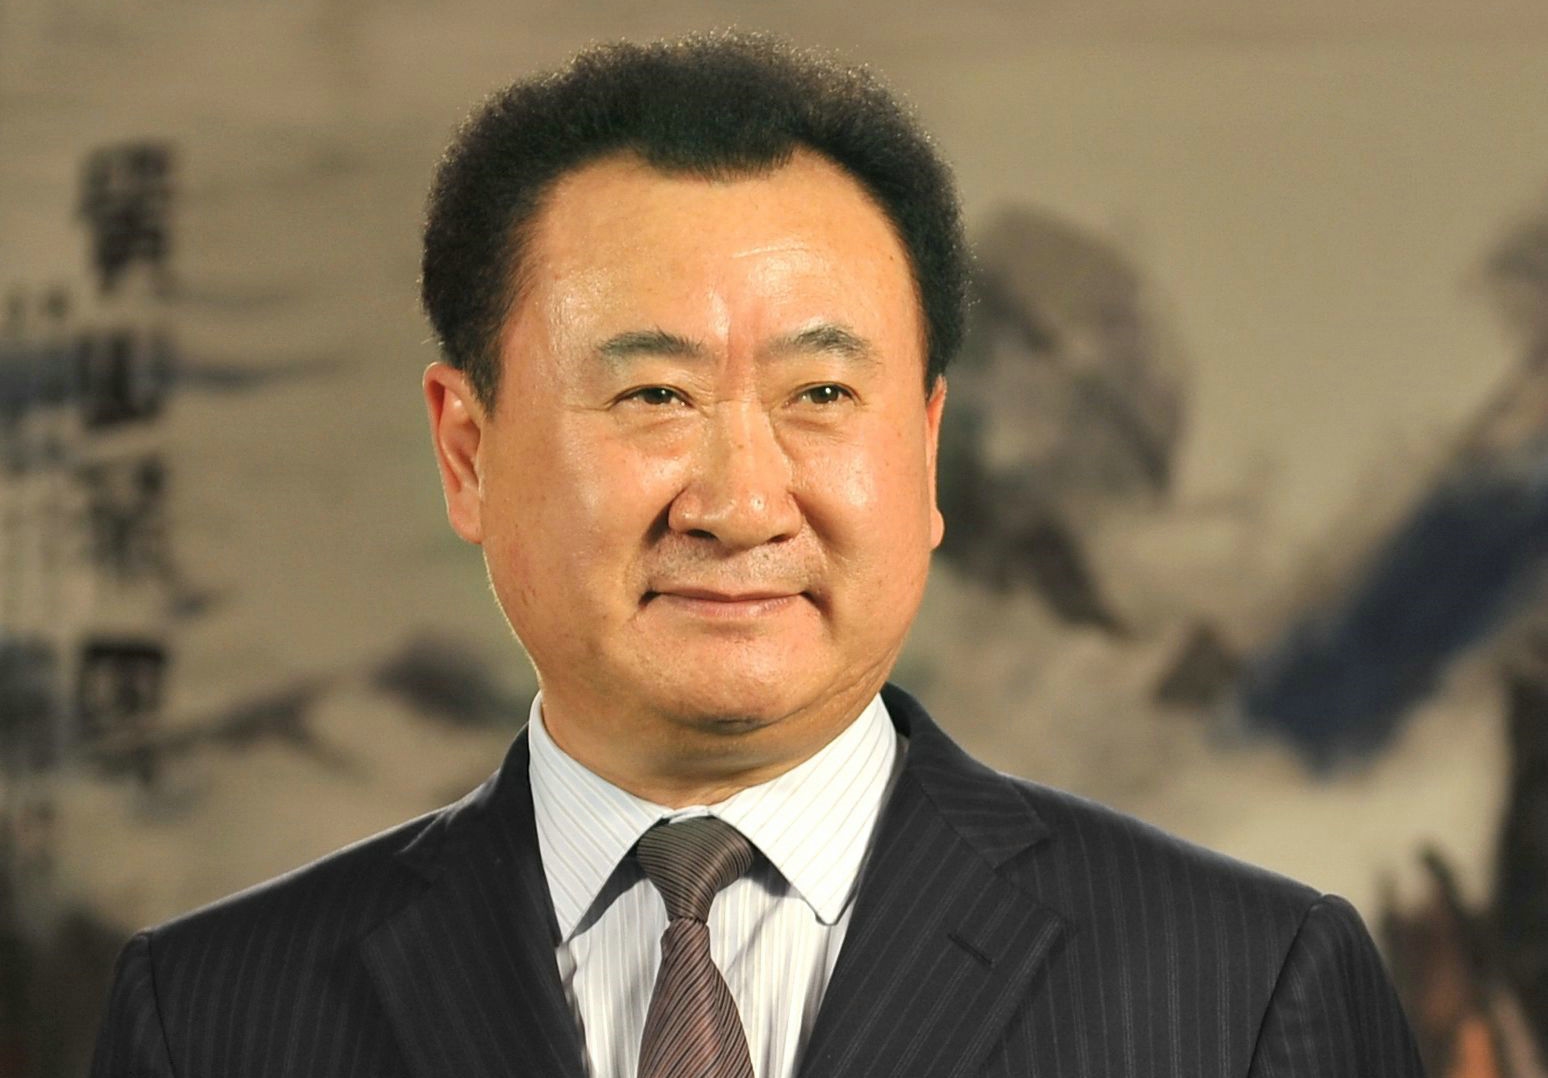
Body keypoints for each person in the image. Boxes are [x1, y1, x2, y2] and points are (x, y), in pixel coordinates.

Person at [91, 31, 1425, 1078]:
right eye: (653, 394)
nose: (738, 503)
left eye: (822, 394)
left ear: (927, 447)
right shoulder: (212, 1016)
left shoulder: (1246, 988)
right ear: (467, 451)